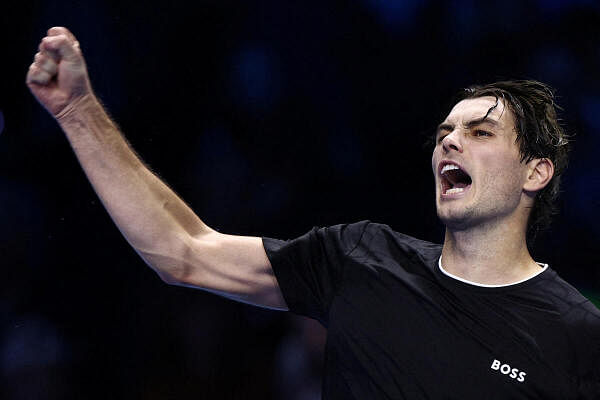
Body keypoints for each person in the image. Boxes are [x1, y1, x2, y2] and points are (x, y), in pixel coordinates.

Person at [27, 27, 599, 399]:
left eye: (480, 132)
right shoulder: (360, 258)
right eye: (445, 132)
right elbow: (182, 251)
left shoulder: (578, 334)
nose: (450, 142)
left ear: (536, 172)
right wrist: (78, 111)